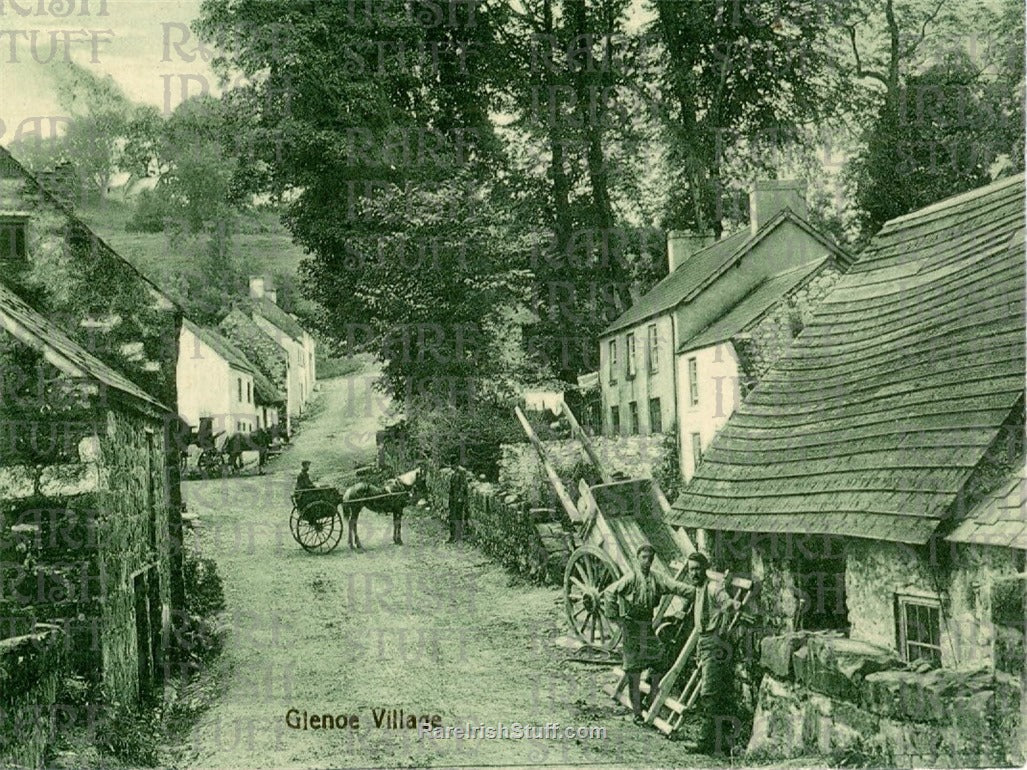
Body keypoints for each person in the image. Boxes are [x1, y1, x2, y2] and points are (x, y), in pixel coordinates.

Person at [603, 544, 696, 726]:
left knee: (661, 661)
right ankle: (637, 713)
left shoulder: (657, 578)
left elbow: (676, 587)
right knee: (633, 671)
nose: (647, 561)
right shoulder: (631, 578)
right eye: (644, 557)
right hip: (631, 626)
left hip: (646, 625)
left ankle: (649, 698)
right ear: (638, 558)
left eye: (650, 558)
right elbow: (609, 592)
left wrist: (699, 592)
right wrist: (617, 618)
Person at [678, 551, 743, 756]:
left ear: (705, 569)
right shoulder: (697, 590)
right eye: (691, 570)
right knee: (717, 693)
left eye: (697, 569)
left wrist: (733, 604)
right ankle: (721, 741)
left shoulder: (713, 587)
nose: (694, 573)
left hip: (714, 643)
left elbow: (726, 602)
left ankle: (705, 742)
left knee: (709, 693)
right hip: (704, 642)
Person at [447, 466, 468, 543]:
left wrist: (460, 497)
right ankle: (452, 536)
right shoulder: (453, 474)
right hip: (453, 499)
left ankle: (458, 536)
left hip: (458, 499)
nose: (452, 465)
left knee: (458, 517)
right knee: (452, 517)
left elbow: (463, 486)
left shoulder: (461, 473)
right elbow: (451, 488)